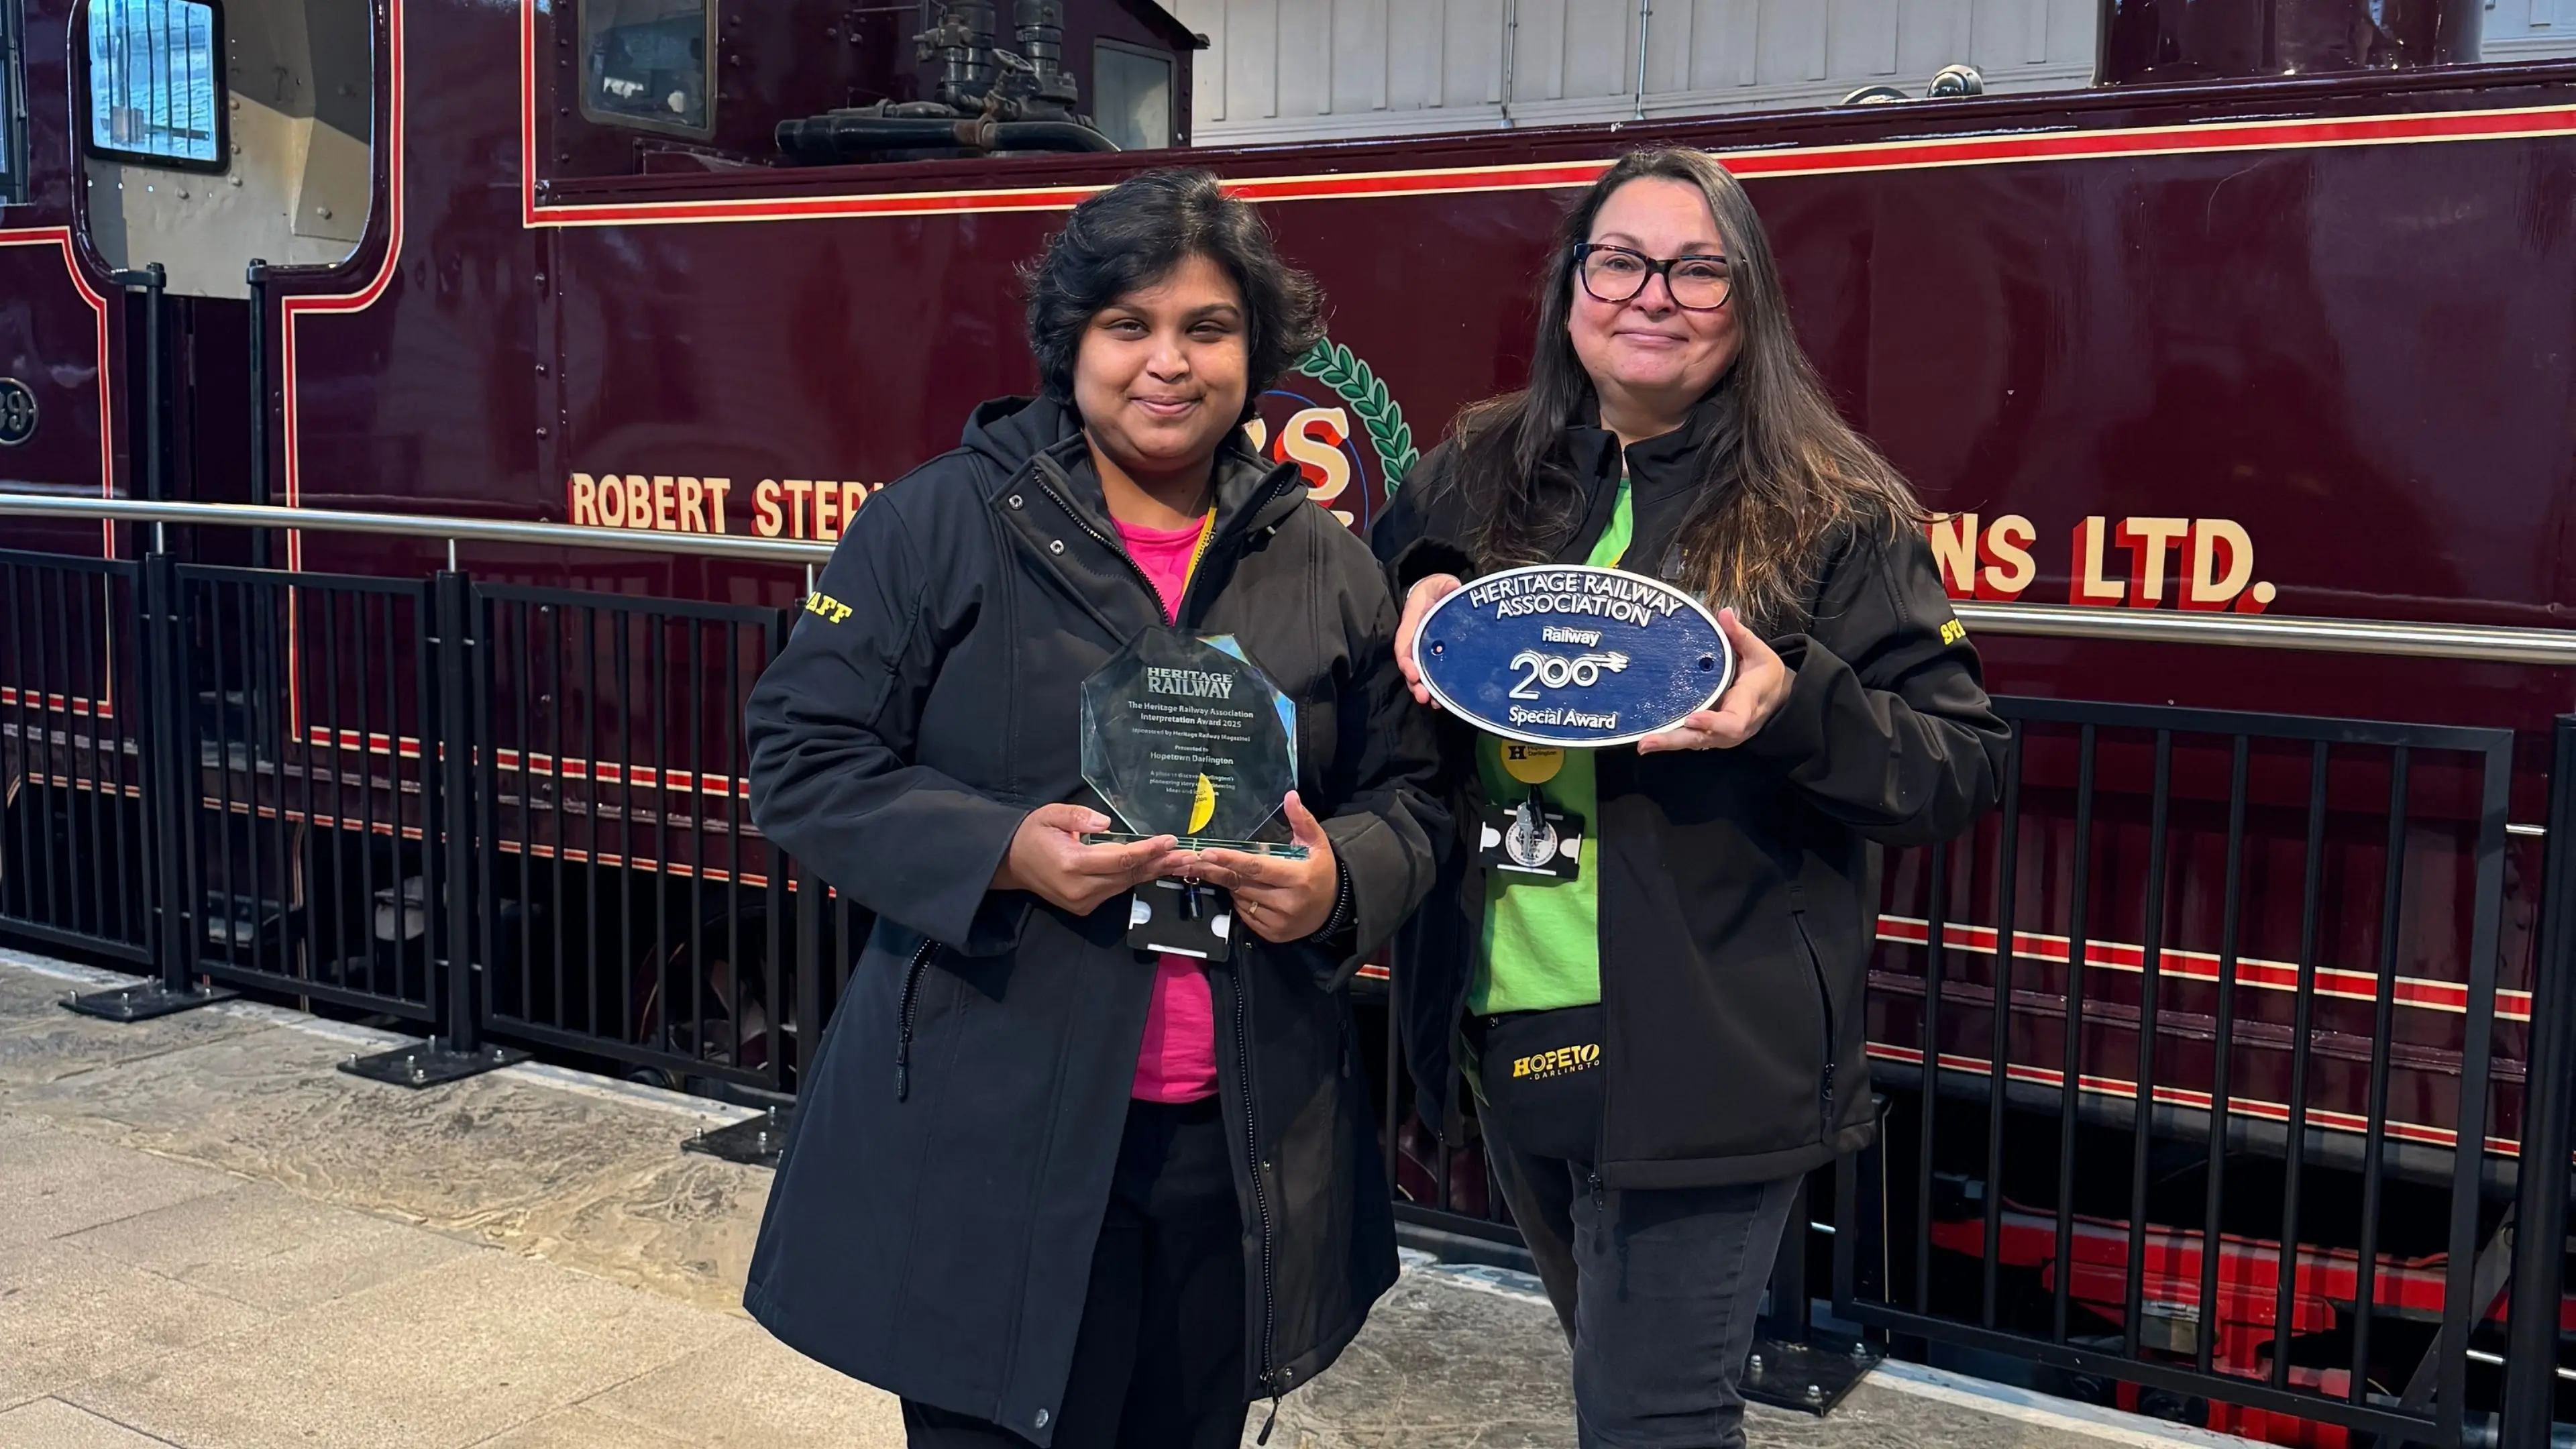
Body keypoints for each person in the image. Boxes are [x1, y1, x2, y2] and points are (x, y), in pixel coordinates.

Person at [741, 168, 1444, 1449]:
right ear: (1070, 345)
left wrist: (1340, 877)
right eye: (1129, 326)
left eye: (1208, 329)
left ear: (1259, 355)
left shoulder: (1329, 563)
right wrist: (1000, 850)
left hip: (1230, 1151)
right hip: (989, 1140)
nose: (1167, 364)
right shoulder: (939, 526)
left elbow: (1414, 799)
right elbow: (800, 755)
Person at [1372, 147, 2008, 1448]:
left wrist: (1796, 704)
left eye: (1697, 268)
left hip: (1709, 1052)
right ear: (1571, 289)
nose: (1651, 294)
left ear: (1749, 302)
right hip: (1508, 1022)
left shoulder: (1836, 511)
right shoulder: (1475, 469)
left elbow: (1964, 763)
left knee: (1646, 1414)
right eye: (1619, 260)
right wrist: (1415, 590)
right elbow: (1364, 637)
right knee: (1611, 1372)